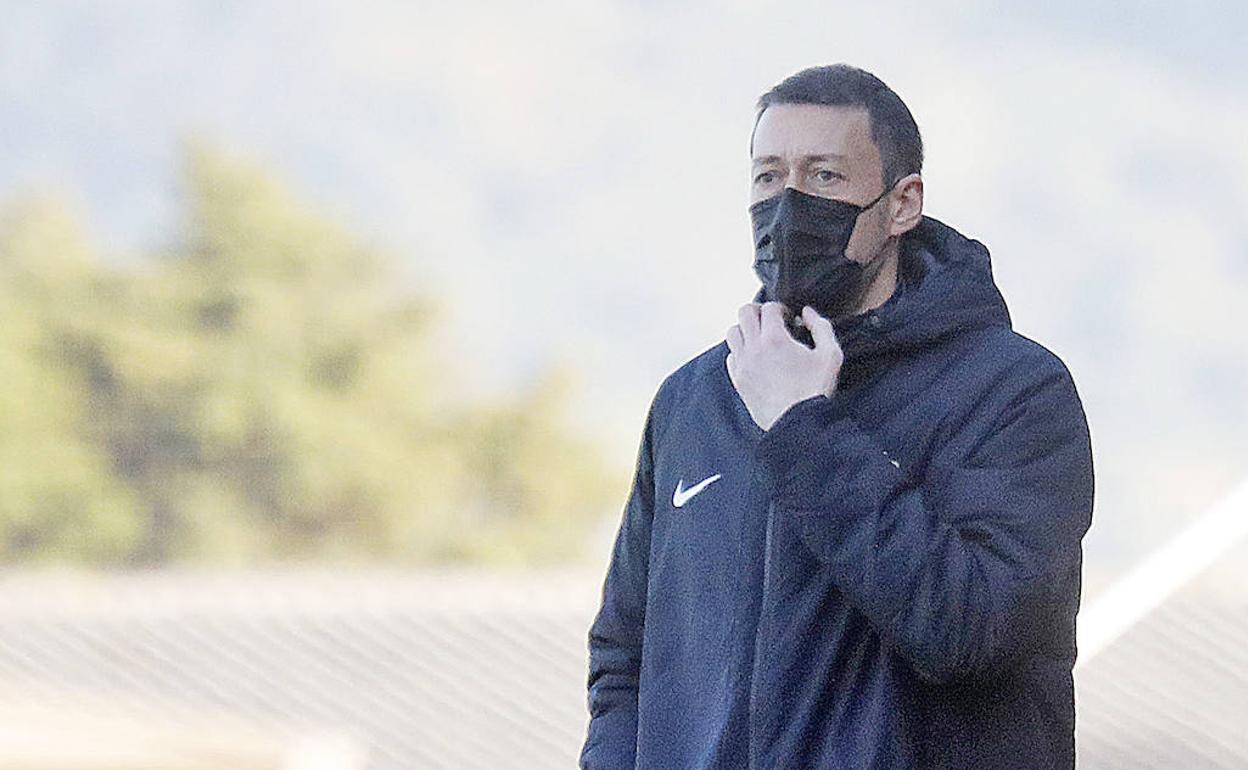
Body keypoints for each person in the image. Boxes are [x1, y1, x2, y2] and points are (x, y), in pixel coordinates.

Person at [579, 63, 1095, 770]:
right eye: (768, 177)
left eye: (824, 177)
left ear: (902, 203)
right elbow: (625, 656)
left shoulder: (1013, 393)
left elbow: (972, 632)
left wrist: (803, 428)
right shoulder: (694, 400)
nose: (788, 206)